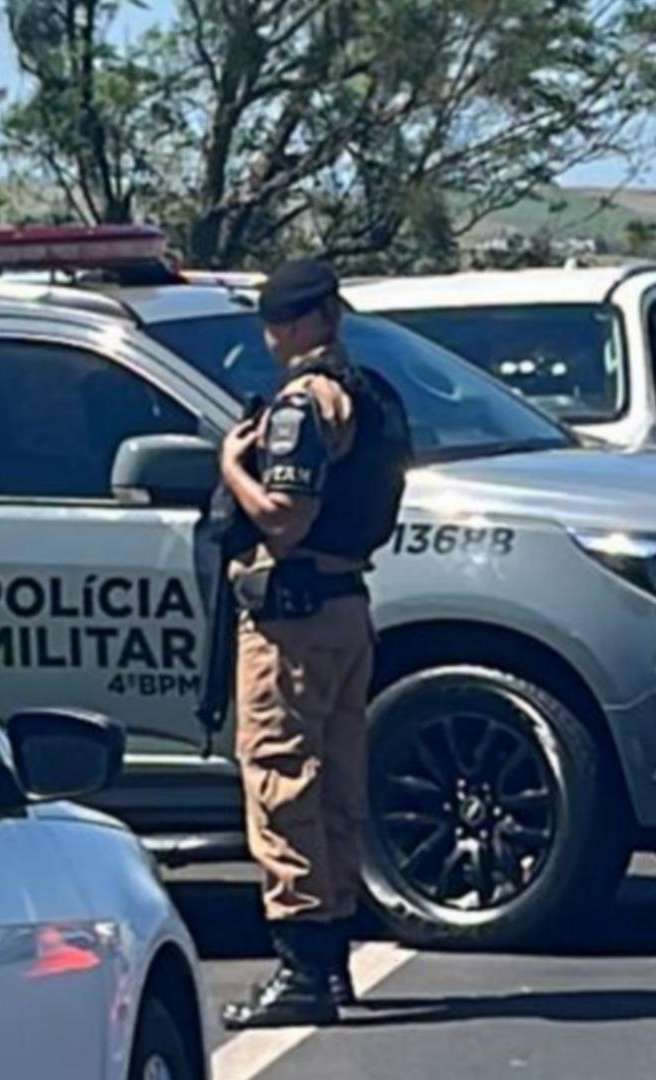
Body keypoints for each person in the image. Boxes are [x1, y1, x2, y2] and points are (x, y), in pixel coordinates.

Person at [219, 260, 410, 1030]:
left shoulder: (305, 403)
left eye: (272, 325)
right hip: (344, 608)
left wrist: (232, 467)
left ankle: (300, 971)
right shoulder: (369, 391)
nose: (269, 339)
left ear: (294, 324)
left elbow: (283, 518)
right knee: (332, 787)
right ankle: (329, 965)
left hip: (291, 618)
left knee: (280, 782)